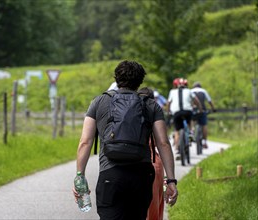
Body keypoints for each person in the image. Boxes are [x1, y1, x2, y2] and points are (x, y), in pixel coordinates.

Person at [73, 60, 178, 220]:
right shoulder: (151, 106)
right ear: (140, 81)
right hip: (141, 175)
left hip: (110, 174)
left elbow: (85, 142)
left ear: (116, 78)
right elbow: (163, 143)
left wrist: (80, 176)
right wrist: (170, 180)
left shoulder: (99, 102)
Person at [138, 87, 165, 220]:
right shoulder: (154, 110)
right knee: (155, 205)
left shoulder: (129, 113)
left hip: (132, 162)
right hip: (154, 162)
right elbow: (163, 143)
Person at [166, 78, 202, 153]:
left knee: (176, 130)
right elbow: (197, 101)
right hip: (187, 112)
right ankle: (191, 133)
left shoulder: (172, 91)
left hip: (176, 113)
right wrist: (200, 110)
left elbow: (168, 103)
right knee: (190, 120)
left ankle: (177, 148)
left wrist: (168, 112)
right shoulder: (189, 91)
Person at [191, 82, 216, 148]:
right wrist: (213, 108)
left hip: (193, 109)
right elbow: (209, 101)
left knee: (192, 121)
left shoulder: (191, 91)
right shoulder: (204, 91)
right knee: (204, 125)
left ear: (194, 87)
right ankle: (204, 142)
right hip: (203, 109)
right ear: (200, 87)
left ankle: (192, 131)